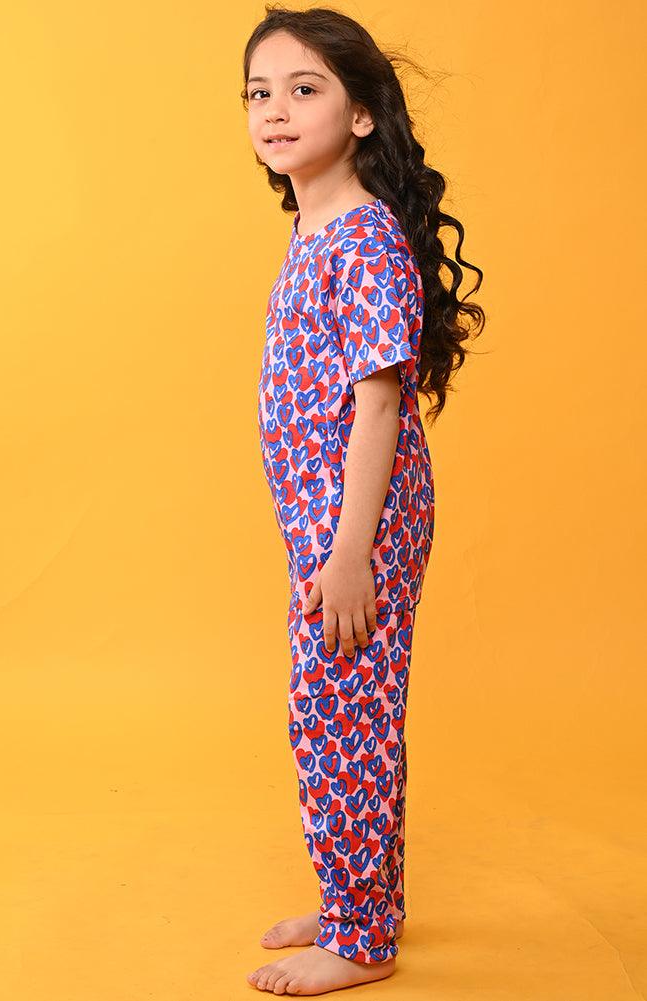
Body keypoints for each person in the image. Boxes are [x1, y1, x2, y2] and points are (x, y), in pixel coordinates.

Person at [242, 7, 485, 995]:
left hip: (360, 527)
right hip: (326, 526)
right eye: (259, 92)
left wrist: (349, 552)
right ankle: (354, 893)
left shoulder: (365, 238)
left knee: (342, 716)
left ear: (361, 115)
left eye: (304, 89)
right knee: (334, 711)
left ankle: (361, 934)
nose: (275, 109)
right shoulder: (314, 230)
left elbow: (379, 405)